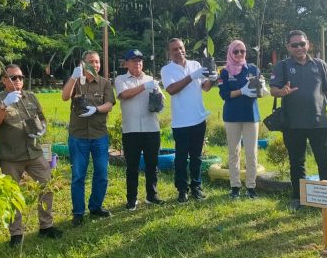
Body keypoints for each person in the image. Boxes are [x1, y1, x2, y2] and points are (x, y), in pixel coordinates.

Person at [0, 65, 62, 244]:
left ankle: (46, 226)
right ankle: (16, 233)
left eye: (20, 77)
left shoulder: (31, 97)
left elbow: (41, 118)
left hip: (34, 152)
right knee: (13, 194)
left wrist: (42, 129)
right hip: (11, 156)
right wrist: (5, 105)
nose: (18, 80)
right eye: (13, 77)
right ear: (4, 80)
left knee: (47, 186)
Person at [270, 30, 327, 212]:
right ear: (288, 47)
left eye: (302, 44)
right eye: (294, 45)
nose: (299, 48)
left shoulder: (320, 65)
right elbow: (273, 90)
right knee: (296, 163)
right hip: (293, 125)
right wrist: (281, 92)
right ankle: (298, 198)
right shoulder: (282, 66)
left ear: (308, 44)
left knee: (325, 163)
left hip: (319, 123)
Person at [61, 51, 116, 226]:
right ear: (83, 63)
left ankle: (96, 206)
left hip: (99, 135)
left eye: (98, 61)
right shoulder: (76, 81)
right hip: (78, 136)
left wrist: (96, 109)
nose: (95, 64)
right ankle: (78, 212)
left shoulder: (105, 83)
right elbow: (64, 97)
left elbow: (110, 104)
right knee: (78, 175)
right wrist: (73, 77)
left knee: (102, 173)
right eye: (91, 61)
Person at [160, 38, 217, 202]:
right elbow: (171, 90)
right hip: (181, 122)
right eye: (174, 49)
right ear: (169, 53)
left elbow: (205, 88)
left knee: (196, 156)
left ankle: (196, 187)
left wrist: (212, 78)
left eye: (181, 48)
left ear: (185, 48)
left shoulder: (196, 65)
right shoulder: (167, 70)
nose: (179, 51)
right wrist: (192, 76)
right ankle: (182, 189)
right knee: (181, 157)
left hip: (198, 118)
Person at [114, 49, 165, 210]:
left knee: (152, 164)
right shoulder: (121, 79)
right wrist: (145, 86)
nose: (137, 63)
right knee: (132, 166)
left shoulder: (151, 80)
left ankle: (152, 195)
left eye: (140, 60)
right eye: (134, 60)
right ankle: (132, 199)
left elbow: (162, 101)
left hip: (151, 128)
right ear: (126, 63)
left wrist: (157, 98)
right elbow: (124, 95)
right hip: (131, 130)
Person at [218, 40, 266, 200]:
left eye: (242, 51)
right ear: (230, 52)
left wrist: (263, 88)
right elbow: (224, 95)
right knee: (234, 152)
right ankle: (235, 186)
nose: (239, 54)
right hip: (232, 116)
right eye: (236, 51)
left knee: (252, 153)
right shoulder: (225, 72)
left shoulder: (252, 69)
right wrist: (241, 91)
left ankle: (251, 187)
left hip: (251, 115)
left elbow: (260, 91)